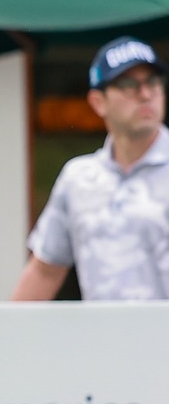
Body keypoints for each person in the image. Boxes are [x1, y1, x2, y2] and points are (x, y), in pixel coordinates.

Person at [12, 37, 169, 302]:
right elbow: (45, 271)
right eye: (128, 85)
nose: (145, 94)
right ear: (98, 102)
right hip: (100, 330)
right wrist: (6, 327)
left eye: (152, 82)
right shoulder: (78, 179)